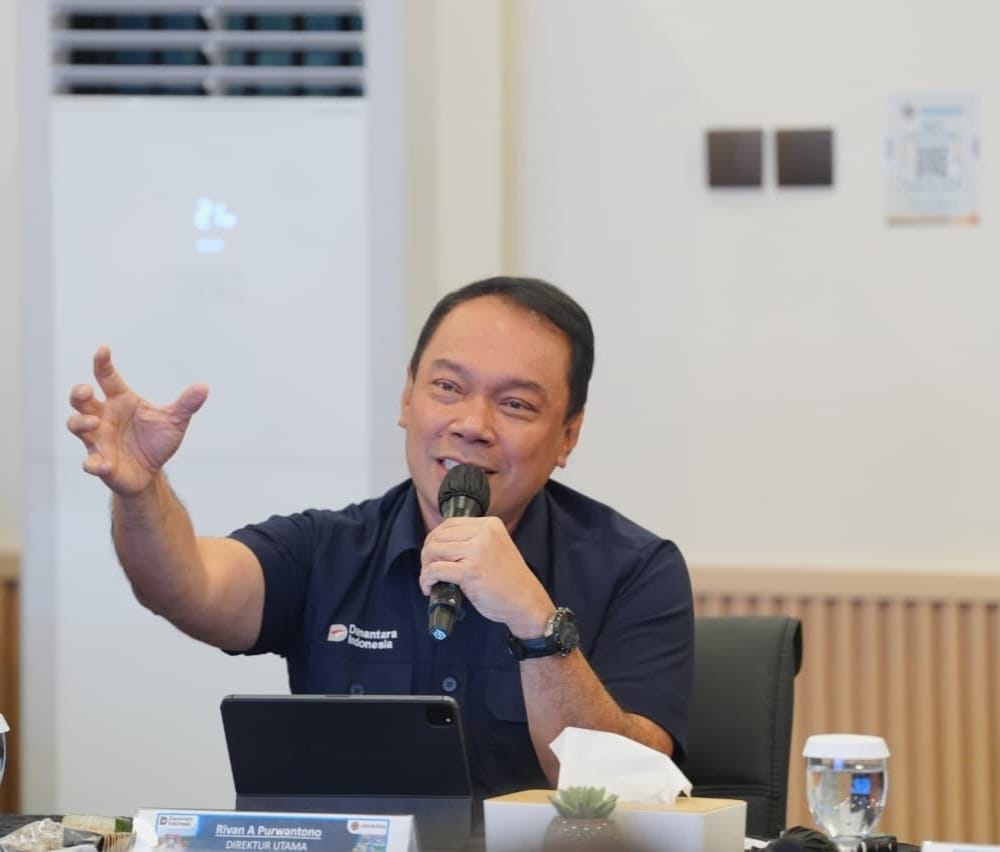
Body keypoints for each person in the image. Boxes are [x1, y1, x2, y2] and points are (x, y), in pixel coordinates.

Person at [66, 275, 694, 802]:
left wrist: (536, 625)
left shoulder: (636, 569)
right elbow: (185, 586)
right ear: (406, 397)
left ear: (568, 436)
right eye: (447, 388)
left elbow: (629, 794)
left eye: (516, 405)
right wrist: (140, 491)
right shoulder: (329, 548)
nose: (471, 424)